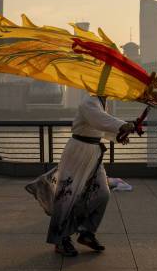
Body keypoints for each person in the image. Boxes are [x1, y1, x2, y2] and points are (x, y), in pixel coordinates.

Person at [25, 93, 135, 256]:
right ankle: (60, 240)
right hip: (77, 151)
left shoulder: (103, 102)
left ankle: (87, 233)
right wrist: (123, 126)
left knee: (103, 194)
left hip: (94, 153)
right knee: (67, 197)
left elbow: (100, 128)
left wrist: (118, 137)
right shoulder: (88, 101)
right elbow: (99, 120)